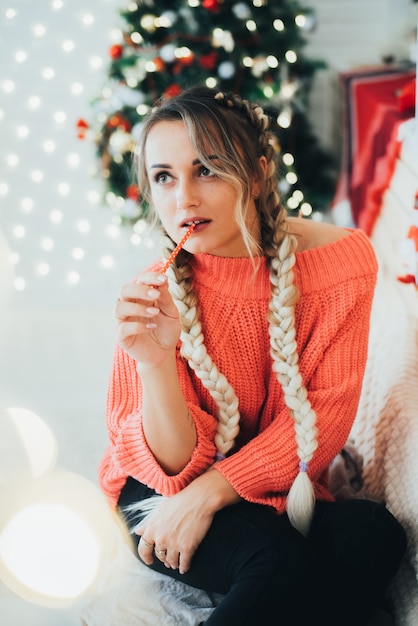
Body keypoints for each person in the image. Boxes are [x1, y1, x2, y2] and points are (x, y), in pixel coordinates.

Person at [100, 86, 406, 625]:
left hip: (273, 485)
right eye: (164, 177)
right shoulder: (151, 299)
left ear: (259, 172)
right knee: (274, 559)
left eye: (208, 170)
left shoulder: (341, 264)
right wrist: (155, 361)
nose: (183, 199)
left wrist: (215, 493)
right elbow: (169, 474)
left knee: (373, 536)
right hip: (158, 493)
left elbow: (322, 418)